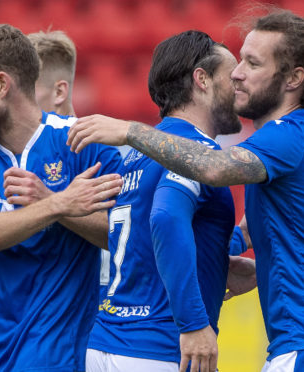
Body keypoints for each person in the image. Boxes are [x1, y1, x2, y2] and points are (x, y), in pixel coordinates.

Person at [67, 9, 304, 372]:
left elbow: (211, 170)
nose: (236, 73)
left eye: (252, 63)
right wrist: (219, 256)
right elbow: (258, 223)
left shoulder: (287, 134)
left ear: (294, 78)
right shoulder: (298, 137)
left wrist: (129, 132)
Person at [0, 24, 123, 371]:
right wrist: (57, 204)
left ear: (1, 85)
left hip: (69, 355)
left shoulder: (84, 141)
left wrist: (51, 200)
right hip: (0, 355)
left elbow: (122, 239)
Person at [84, 30, 244, 372]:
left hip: (107, 342)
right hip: (158, 348)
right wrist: (193, 324)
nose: (239, 86)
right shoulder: (196, 153)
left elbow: (156, 237)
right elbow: (166, 220)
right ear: (201, 79)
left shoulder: (137, 157)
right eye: (231, 77)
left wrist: (240, 241)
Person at [26, 29, 112, 304]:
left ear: (59, 91)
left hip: (98, 311)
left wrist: (53, 203)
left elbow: (125, 234)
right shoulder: (20, 154)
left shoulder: (99, 152)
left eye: (28, 89)